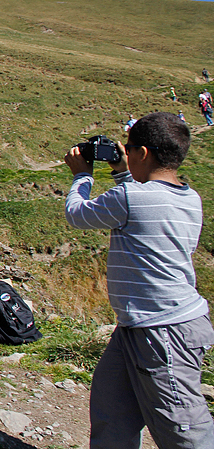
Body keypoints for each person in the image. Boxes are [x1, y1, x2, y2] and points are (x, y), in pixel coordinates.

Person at [64, 111, 213, 448]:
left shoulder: (131, 197)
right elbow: (144, 199)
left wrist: (82, 176)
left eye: (128, 149)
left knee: (183, 426)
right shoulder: (190, 199)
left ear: (142, 153)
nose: (125, 154)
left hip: (162, 330)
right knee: (112, 405)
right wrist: (121, 169)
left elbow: (77, 214)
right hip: (143, 324)